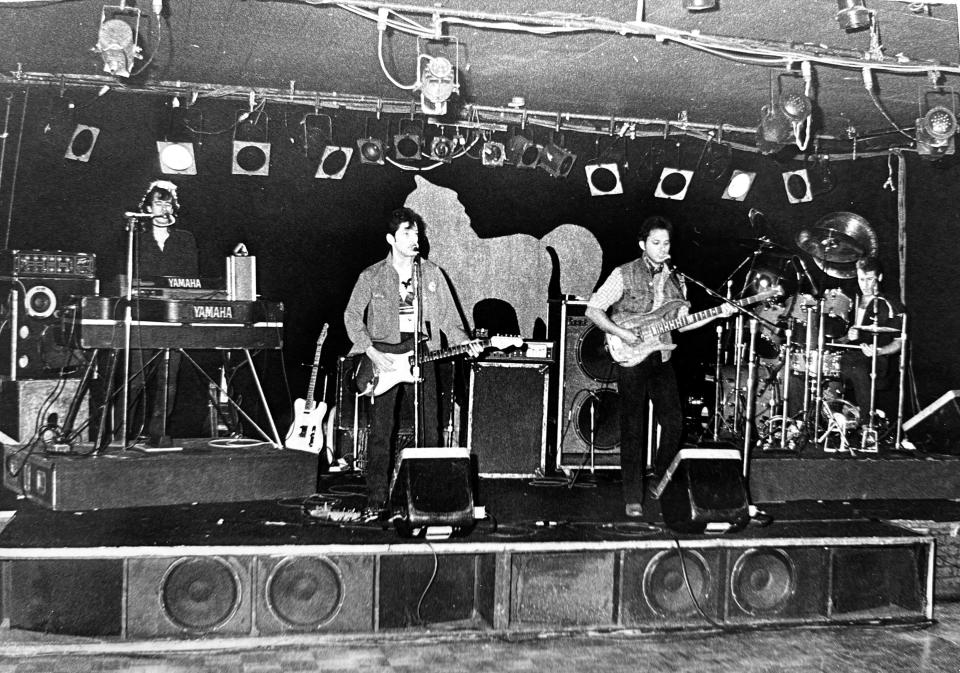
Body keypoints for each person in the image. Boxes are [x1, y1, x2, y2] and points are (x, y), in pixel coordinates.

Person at [585, 216, 733, 518]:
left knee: (675, 422)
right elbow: (593, 309)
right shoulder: (624, 273)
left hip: (661, 355)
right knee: (632, 426)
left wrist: (718, 314)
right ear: (643, 244)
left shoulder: (678, 280)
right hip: (631, 353)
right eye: (656, 243)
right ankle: (632, 496)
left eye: (666, 243)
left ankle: (660, 477)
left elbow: (685, 324)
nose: (662, 248)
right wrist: (622, 333)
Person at [343, 207, 481, 515]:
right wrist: (371, 351)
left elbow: (449, 319)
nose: (414, 238)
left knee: (429, 431)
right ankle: (377, 500)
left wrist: (464, 343)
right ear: (391, 239)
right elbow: (352, 315)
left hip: (422, 354)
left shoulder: (431, 273)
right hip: (384, 359)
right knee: (381, 432)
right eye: (407, 232)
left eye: (416, 232)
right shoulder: (372, 275)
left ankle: (426, 496)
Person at [125, 179, 200, 447]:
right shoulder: (136, 238)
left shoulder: (184, 239)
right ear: (147, 207)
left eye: (168, 202)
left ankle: (160, 432)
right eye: (158, 202)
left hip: (174, 316)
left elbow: (192, 279)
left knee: (168, 381)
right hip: (144, 316)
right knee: (135, 378)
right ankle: (123, 433)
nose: (164, 207)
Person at [838, 257, 903, 434]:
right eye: (861, 279)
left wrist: (879, 350)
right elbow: (839, 340)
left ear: (879, 277)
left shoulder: (891, 306)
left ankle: (868, 423)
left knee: (855, 365)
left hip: (876, 359)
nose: (864, 284)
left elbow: (898, 342)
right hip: (847, 356)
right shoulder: (849, 302)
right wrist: (847, 337)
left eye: (869, 279)